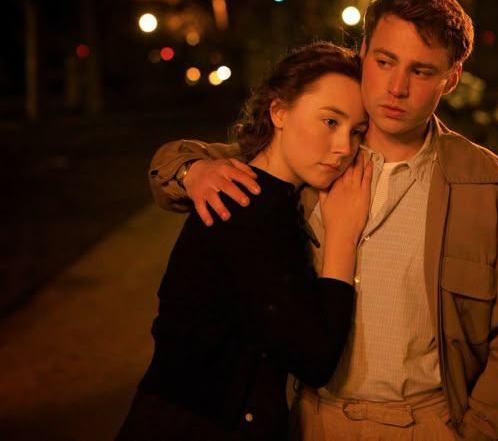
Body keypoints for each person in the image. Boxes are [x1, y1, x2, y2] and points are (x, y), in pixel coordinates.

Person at [148, 0, 498, 441]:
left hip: (428, 423)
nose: (397, 88)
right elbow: (208, 166)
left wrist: (482, 430)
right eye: (385, 62)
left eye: (422, 72)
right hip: (310, 419)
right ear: (364, 51)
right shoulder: (317, 155)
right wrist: (190, 170)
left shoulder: (495, 190)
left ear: (452, 77)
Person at [117, 42, 372, 441]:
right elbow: (315, 358)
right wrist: (342, 237)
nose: (344, 148)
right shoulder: (244, 201)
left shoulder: (271, 196)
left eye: (356, 132)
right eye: (329, 122)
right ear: (279, 111)